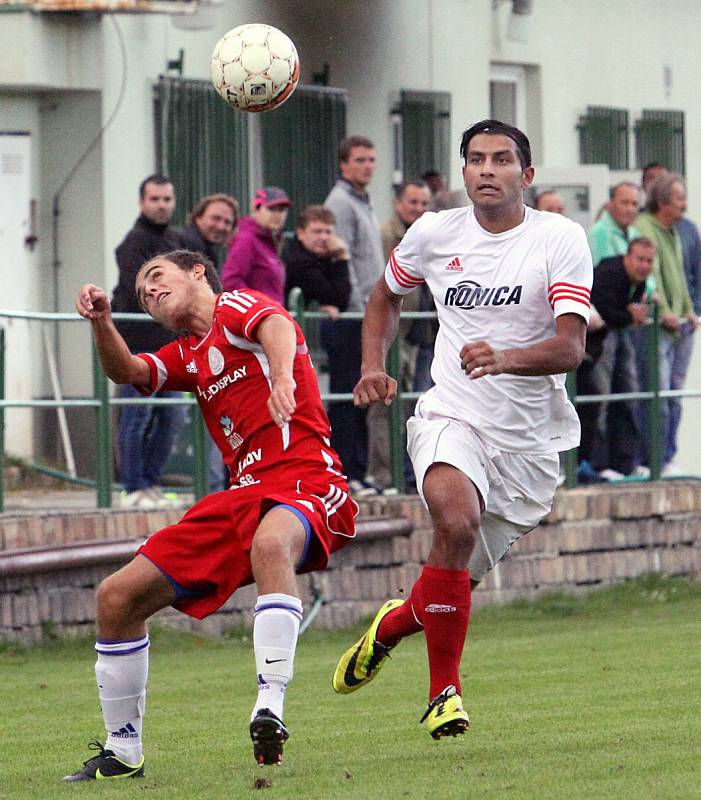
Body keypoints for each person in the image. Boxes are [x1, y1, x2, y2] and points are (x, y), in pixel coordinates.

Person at [331, 119, 592, 739]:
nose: (487, 170)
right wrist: (373, 365)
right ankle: (443, 694)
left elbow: (570, 348)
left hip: (528, 445)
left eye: (502, 160)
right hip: (453, 412)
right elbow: (384, 297)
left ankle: (393, 624)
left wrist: (505, 357)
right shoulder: (434, 231)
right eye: (475, 160)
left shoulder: (559, 238)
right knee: (455, 519)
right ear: (464, 172)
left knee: (452, 581)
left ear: (526, 176)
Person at [68, 250, 358, 781]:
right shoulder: (188, 354)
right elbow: (129, 370)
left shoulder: (235, 308)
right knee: (116, 597)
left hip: (305, 477)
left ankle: (269, 705)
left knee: (272, 546)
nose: (150, 292)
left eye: (157, 277)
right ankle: (122, 749)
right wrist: (103, 322)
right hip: (241, 496)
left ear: (197, 271)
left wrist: (283, 381)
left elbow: (275, 322)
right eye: (142, 292)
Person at [111, 175, 184, 510]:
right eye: (155, 199)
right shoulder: (134, 242)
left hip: (172, 344)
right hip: (140, 343)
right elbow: (135, 291)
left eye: (167, 199)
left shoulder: (174, 240)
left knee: (171, 418)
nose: (162, 205)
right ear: (142, 202)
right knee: (137, 416)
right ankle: (132, 486)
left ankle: (150, 482)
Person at [324, 136, 385, 495]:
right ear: (344, 164)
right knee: (348, 397)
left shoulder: (363, 201)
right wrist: (355, 308)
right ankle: (345, 472)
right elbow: (340, 256)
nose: (367, 166)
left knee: (364, 397)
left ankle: (360, 471)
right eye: (360, 160)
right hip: (351, 316)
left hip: (367, 313)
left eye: (372, 159)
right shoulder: (341, 203)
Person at [371, 178, 433, 490]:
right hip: (396, 331)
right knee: (386, 405)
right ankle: (386, 475)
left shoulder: (431, 235)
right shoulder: (386, 235)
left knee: (420, 406)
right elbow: (382, 286)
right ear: (399, 204)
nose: (419, 209)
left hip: (425, 332)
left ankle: (412, 474)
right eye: (413, 203)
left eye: (424, 203)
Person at [576, 238, 655, 480]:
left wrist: (629, 315)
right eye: (640, 259)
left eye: (649, 261)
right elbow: (606, 311)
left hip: (617, 336)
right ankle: (596, 464)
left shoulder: (638, 283)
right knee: (600, 398)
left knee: (629, 396)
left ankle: (625, 463)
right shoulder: (612, 273)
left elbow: (624, 313)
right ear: (628, 257)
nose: (644, 266)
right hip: (598, 343)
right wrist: (629, 316)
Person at [636, 174, 698, 475]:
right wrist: (663, 310)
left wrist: (688, 310)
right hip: (657, 326)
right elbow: (653, 277)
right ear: (662, 201)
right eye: (679, 198)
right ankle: (653, 459)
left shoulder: (675, 230)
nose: (684, 205)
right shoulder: (645, 228)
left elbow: (680, 276)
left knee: (674, 394)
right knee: (656, 394)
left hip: (681, 324)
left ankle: (668, 455)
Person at [221, 186, 291, 303]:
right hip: (259, 317)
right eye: (271, 209)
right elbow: (231, 280)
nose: (278, 215)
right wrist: (257, 308)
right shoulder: (247, 239)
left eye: (282, 210)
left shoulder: (270, 241)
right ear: (255, 208)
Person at [283, 204, 351, 316]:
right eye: (317, 232)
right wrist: (342, 259)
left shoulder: (322, 257)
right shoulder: (298, 261)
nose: (324, 237)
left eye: (328, 232)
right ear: (301, 233)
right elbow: (338, 300)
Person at [587, 182, 641, 267]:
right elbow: (602, 275)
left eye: (634, 204)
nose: (630, 209)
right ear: (611, 204)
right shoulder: (598, 233)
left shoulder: (635, 233)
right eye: (625, 202)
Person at [179, 193, 239, 268]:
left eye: (227, 222)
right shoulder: (191, 247)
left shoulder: (208, 250)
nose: (221, 227)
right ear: (198, 218)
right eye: (216, 218)